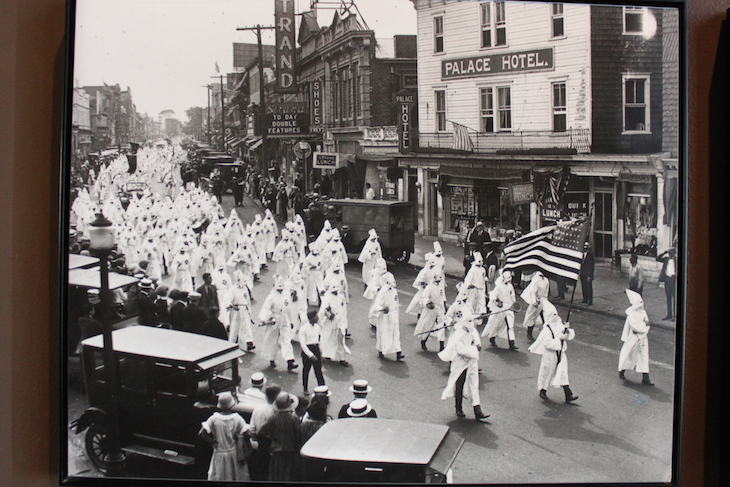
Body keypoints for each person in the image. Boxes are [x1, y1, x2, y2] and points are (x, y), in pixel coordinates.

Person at [438, 310, 490, 422]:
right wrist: (475, 350)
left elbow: (478, 344)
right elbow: (461, 350)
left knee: (474, 385)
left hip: (472, 362)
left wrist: (477, 347)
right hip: (460, 362)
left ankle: (477, 410)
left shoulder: (473, 331)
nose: (471, 323)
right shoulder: (458, 334)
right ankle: (458, 408)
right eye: (469, 321)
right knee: (459, 383)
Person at [527, 300, 579, 403]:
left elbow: (568, 336)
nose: (555, 317)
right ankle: (543, 390)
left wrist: (567, 330)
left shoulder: (560, 325)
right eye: (552, 315)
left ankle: (568, 394)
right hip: (550, 355)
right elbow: (547, 344)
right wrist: (559, 339)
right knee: (547, 373)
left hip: (561, 354)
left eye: (555, 314)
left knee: (563, 373)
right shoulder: (547, 330)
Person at [198, 392, 251, 481]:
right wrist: (239, 436)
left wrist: (212, 441)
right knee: (235, 476)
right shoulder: (237, 418)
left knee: (219, 476)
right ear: (231, 405)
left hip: (219, 452)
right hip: (233, 453)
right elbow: (248, 434)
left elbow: (201, 433)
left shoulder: (214, 418)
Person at [257, 392, 302, 482]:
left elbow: (261, 432)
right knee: (290, 477)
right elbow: (299, 435)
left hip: (277, 454)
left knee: (277, 477)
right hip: (291, 454)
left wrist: (273, 437)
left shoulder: (273, 418)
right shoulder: (294, 419)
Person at [259, 275, 298, 371]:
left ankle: (290, 361)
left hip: (284, 319)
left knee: (286, 339)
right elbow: (265, 308)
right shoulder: (271, 297)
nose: (280, 291)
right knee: (272, 340)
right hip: (274, 320)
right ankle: (271, 359)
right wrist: (265, 318)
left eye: (282, 289)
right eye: (278, 289)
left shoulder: (286, 296)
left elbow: (289, 309)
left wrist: (291, 321)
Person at [619, 289, 654, 385]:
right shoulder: (631, 314)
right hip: (634, 337)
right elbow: (635, 326)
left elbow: (647, 324)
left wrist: (644, 330)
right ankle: (622, 370)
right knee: (628, 354)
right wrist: (643, 329)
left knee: (644, 356)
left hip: (643, 338)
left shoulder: (643, 313)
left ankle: (645, 378)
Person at [248, 384, 282, 481]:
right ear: (276, 396)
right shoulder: (276, 411)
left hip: (260, 443)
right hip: (273, 443)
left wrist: (255, 443)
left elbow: (252, 429)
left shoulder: (258, 409)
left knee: (261, 469)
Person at [370, 272, 405, 361]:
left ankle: (398, 352)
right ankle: (381, 350)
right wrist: (382, 308)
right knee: (383, 333)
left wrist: (396, 315)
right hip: (384, 317)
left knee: (395, 334)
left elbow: (396, 304)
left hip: (393, 316)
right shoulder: (382, 293)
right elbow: (377, 305)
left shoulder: (394, 291)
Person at [482, 270, 519, 351]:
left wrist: (514, 304)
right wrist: (497, 301)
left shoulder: (510, 286)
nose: (509, 280)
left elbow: (512, 296)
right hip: (501, 308)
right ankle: (492, 337)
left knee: (510, 325)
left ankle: (512, 343)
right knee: (496, 324)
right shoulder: (499, 286)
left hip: (509, 308)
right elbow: (493, 295)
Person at [299, 309, 326, 395]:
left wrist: (321, 352)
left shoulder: (318, 328)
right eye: (316, 317)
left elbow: (320, 340)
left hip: (316, 349)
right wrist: (310, 355)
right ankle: (305, 388)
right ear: (311, 318)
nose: (317, 318)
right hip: (307, 351)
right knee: (306, 370)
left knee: (318, 371)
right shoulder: (303, 329)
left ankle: (322, 388)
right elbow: (303, 344)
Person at [521, 271, 550, 340]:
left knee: (545, 318)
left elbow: (546, 291)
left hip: (543, 301)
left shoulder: (546, 280)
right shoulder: (535, 281)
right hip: (536, 302)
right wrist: (534, 302)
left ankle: (547, 334)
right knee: (532, 317)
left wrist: (545, 300)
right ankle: (529, 333)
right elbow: (533, 292)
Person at [656, 247, 677, 320]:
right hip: (667, 279)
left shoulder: (676, 260)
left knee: (674, 298)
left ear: (674, 254)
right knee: (668, 297)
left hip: (674, 279)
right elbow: (657, 258)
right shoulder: (666, 259)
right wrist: (664, 252)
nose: (670, 255)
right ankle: (669, 314)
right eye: (669, 253)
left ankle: (675, 315)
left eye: (671, 253)